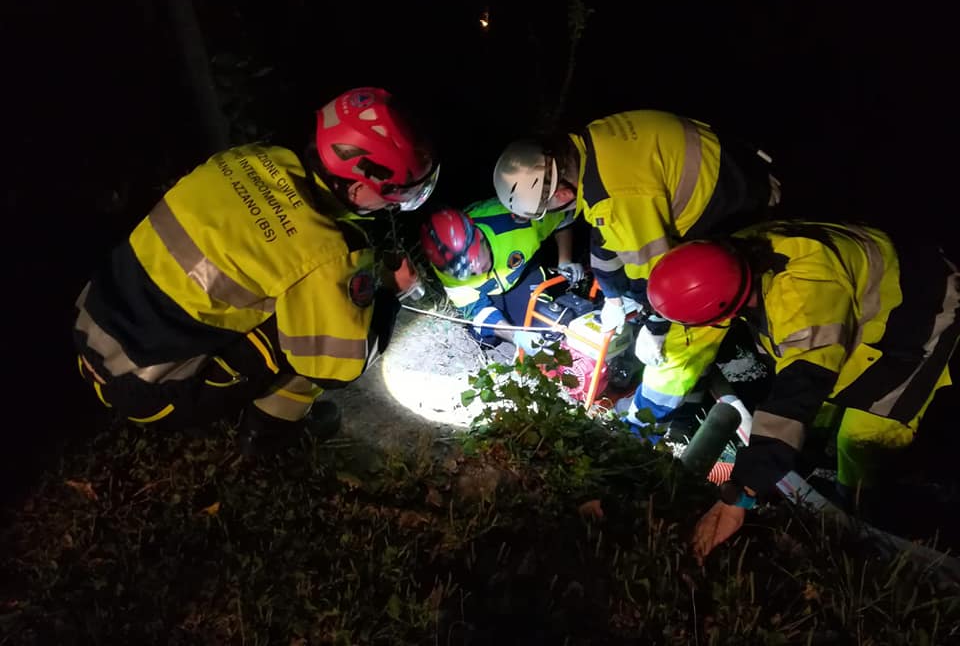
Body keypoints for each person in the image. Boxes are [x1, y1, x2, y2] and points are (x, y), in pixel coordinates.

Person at [73, 87, 439, 455]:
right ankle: (271, 434)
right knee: (323, 329)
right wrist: (391, 294)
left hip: (89, 333)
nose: (392, 205)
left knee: (287, 289)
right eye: (394, 195)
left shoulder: (246, 158)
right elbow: (337, 366)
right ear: (359, 186)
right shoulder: (330, 249)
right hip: (146, 391)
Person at [644, 222, 960, 561]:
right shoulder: (728, 254)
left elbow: (799, 388)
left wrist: (742, 491)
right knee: (823, 392)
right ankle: (819, 457)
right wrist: (657, 329)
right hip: (869, 293)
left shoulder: (802, 295)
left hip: (922, 318)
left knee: (862, 436)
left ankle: (857, 508)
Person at [492, 109, 781, 427]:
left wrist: (655, 328)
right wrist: (613, 298)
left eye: (549, 208)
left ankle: (639, 430)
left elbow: (663, 279)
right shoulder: (591, 142)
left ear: (561, 193)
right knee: (635, 284)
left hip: (736, 215)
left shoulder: (617, 198)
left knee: (680, 339)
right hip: (735, 173)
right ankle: (690, 394)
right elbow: (605, 237)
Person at [419, 198, 580, 353]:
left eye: (476, 259)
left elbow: (563, 216)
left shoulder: (516, 220)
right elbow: (476, 309)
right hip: (488, 292)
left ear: (480, 237)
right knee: (485, 338)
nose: (478, 271)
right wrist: (515, 336)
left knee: (544, 323)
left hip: (522, 275)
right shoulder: (445, 265)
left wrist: (565, 261)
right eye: (467, 273)